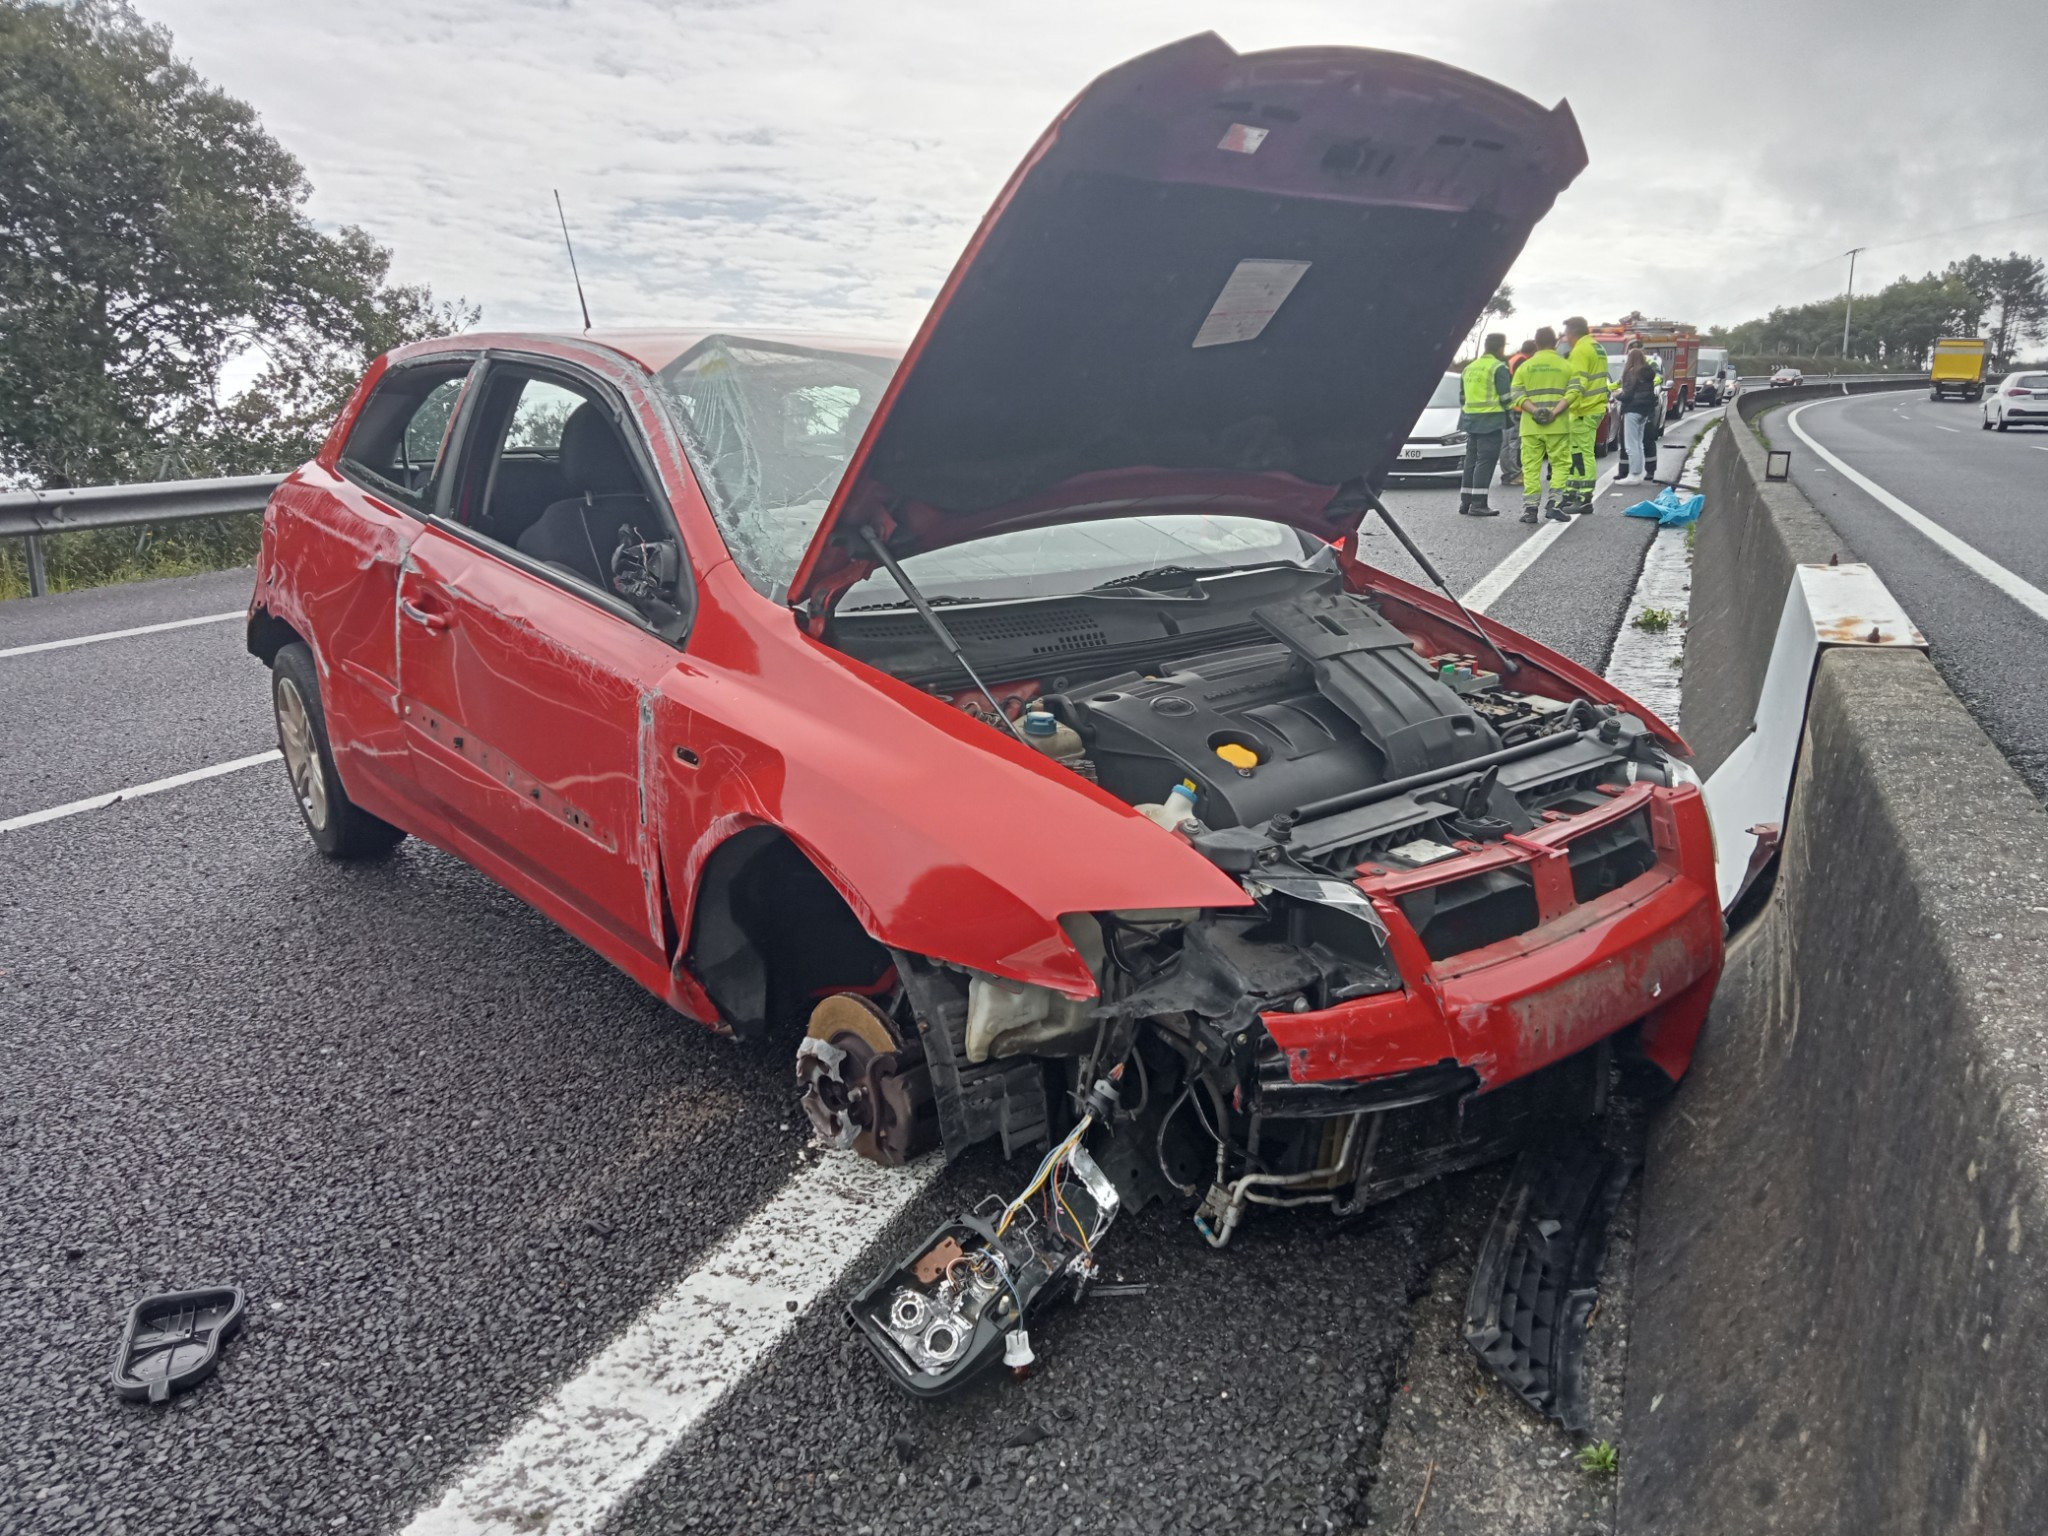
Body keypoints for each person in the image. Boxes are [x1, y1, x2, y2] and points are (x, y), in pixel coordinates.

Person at [1509, 326, 1574, 525]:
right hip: (1558, 426)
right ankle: (1554, 505)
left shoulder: (1525, 367)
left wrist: (1535, 411)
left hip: (1530, 426)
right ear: (1555, 342)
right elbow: (1574, 393)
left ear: (1536, 343)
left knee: (1530, 467)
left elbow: (1517, 395)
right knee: (1561, 465)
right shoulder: (1566, 366)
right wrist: (1554, 412)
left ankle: (1530, 510)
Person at [1559, 316, 1611, 514]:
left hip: (1583, 409)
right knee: (1577, 453)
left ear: (1572, 333)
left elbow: (1577, 382)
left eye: (1566, 335)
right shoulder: (1597, 347)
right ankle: (1572, 493)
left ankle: (1584, 498)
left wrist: (1565, 405)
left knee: (1582, 453)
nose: (1566, 339)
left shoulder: (1580, 350)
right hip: (1594, 407)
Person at [1457, 333, 1512, 516]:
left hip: (1470, 420)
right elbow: (1506, 398)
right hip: (1490, 421)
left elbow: (1462, 397)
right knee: (1486, 461)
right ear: (1501, 348)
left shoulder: (1469, 368)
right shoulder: (1498, 367)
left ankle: (1465, 502)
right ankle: (1478, 504)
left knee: (1471, 461)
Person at [1616, 344, 1657, 484]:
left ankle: (1633, 475)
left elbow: (1628, 394)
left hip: (1632, 410)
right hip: (1644, 411)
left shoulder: (1631, 372)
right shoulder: (1647, 372)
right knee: (1638, 443)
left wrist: (1617, 395)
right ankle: (1638, 473)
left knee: (1630, 444)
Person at [1501, 338, 1536, 492]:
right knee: (1514, 442)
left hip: (1512, 406)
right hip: (1517, 407)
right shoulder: (1522, 361)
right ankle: (1513, 473)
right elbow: (1523, 384)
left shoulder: (1514, 359)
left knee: (1509, 441)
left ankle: (1509, 473)